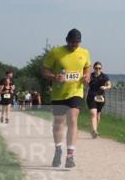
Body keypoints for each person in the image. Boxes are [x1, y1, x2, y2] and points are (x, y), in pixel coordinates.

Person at [41, 29, 91, 169]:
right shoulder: (56, 52)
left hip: (76, 91)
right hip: (58, 93)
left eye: (77, 43)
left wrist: (87, 76)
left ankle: (70, 155)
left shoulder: (84, 52)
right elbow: (44, 70)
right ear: (66, 40)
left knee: (73, 119)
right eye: (72, 42)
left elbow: (87, 67)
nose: (74, 45)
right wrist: (54, 77)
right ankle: (58, 150)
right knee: (59, 122)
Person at [86, 62, 112, 139]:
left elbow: (109, 85)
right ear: (93, 68)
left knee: (98, 114)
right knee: (93, 113)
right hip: (91, 96)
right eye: (96, 68)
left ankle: (95, 130)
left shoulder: (104, 76)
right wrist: (85, 81)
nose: (98, 69)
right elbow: (85, 84)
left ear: (101, 68)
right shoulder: (90, 76)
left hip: (100, 97)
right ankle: (94, 130)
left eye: (99, 68)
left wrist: (105, 87)